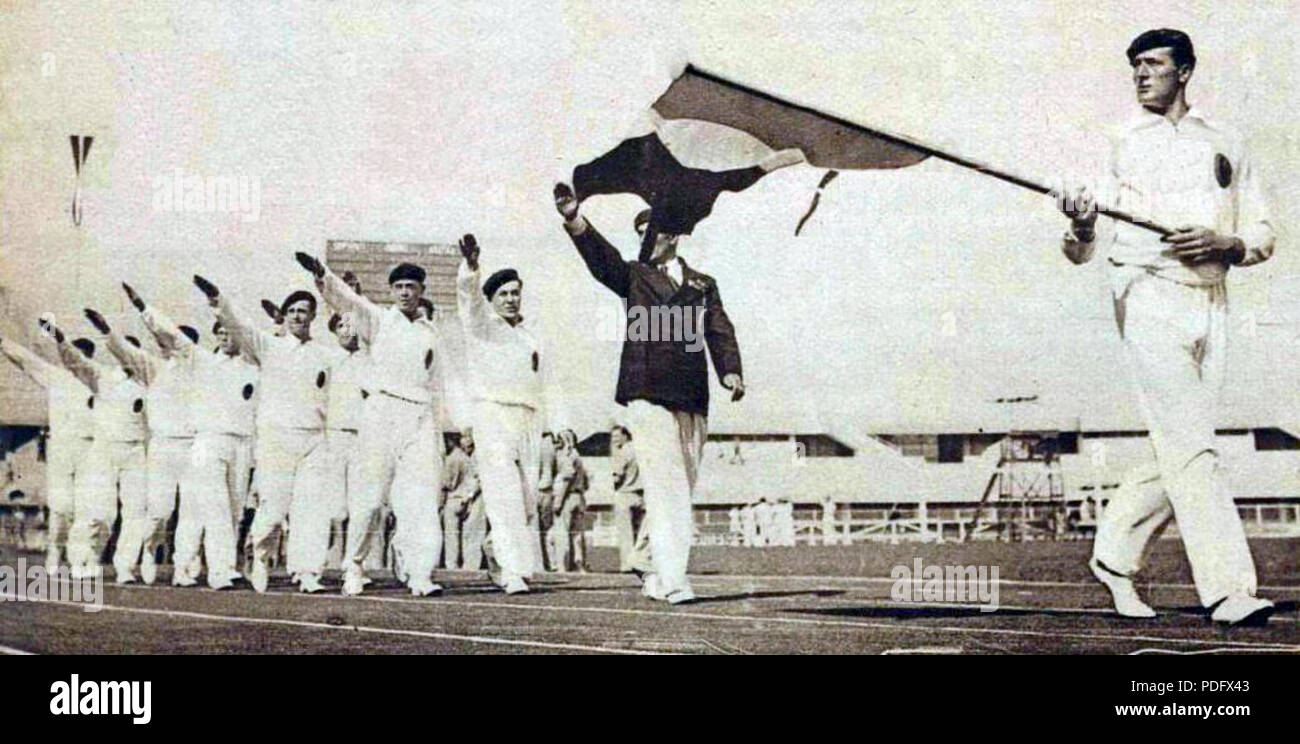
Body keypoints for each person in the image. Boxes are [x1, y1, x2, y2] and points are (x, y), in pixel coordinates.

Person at [1057, 29, 1276, 625]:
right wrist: (1079, 226)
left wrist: (1227, 242)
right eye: (1134, 66)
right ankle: (1229, 591)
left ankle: (1115, 558)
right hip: (1147, 294)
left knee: (1183, 446)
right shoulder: (1117, 143)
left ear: (1185, 71)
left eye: (1152, 64)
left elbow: (1262, 233)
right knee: (1193, 449)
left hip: (1213, 296)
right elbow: (1084, 247)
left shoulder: (1226, 141)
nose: (1140, 75)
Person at [557, 187, 745, 604]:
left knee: (681, 486)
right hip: (647, 391)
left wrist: (730, 372)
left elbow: (719, 329)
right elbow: (601, 260)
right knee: (669, 488)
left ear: (673, 236)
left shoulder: (703, 284)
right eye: (639, 234)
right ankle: (675, 580)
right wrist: (575, 220)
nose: (644, 241)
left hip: (692, 395)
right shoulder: (634, 275)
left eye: (651, 233)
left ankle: (646, 559)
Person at [302, 253, 446, 597]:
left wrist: (440, 427)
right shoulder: (379, 321)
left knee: (421, 499)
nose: (405, 293)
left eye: (411, 287)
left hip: (420, 416)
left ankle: (420, 572)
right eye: (399, 287)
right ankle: (353, 565)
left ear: (422, 290)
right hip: (381, 413)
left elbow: (438, 384)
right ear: (392, 291)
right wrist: (323, 276)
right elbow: (347, 300)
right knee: (368, 500)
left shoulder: (431, 333)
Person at [198, 275, 335, 593]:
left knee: (310, 508)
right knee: (273, 512)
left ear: (313, 316)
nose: (299, 316)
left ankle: (307, 571)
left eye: (304, 311)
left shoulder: (325, 356)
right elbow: (241, 326)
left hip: (314, 439)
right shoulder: (269, 347)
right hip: (277, 440)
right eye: (293, 311)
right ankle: (258, 555)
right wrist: (219, 301)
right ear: (285, 317)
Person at [454, 233, 557, 594]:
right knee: (504, 494)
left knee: (528, 501)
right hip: (493, 414)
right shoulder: (481, 327)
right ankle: (513, 570)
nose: (511, 299)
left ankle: (495, 548)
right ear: (493, 299)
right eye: (504, 294)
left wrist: (558, 423)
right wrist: (470, 267)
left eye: (516, 293)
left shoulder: (531, 336)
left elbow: (545, 381)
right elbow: (468, 299)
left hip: (528, 420)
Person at [86, 296, 199, 586]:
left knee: (191, 511)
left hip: (194, 448)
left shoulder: (205, 373)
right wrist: (107, 332)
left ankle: (181, 567)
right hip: (162, 448)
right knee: (159, 513)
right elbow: (126, 354)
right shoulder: (153, 371)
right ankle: (149, 551)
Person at [44, 318, 148, 582]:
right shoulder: (103, 377)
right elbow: (77, 363)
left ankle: (125, 565)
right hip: (104, 450)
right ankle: (82, 558)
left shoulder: (148, 384)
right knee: (100, 513)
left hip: (136, 452)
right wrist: (60, 339)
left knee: (136, 511)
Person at [285, 311, 367, 593]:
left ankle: (354, 567)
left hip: (363, 440)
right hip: (330, 438)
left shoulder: (371, 359)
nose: (349, 331)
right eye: (342, 326)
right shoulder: (325, 357)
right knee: (323, 508)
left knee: (361, 507)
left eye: (353, 325)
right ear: (334, 331)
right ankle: (304, 567)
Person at [0, 332, 95, 571]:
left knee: (85, 506)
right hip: (62, 446)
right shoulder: (57, 377)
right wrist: (3, 342)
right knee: (61, 506)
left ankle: (78, 558)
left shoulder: (99, 380)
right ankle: (55, 549)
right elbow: (26, 360)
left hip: (90, 448)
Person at [609, 424, 651, 577]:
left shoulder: (623, 452)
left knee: (625, 532)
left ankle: (628, 564)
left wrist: (611, 485)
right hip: (641, 494)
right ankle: (640, 560)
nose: (614, 440)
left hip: (625, 493)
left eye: (617, 436)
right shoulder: (642, 449)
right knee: (640, 532)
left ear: (626, 436)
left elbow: (617, 475)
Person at [441, 428, 485, 570]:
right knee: (470, 535)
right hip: (469, 498)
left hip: (453, 498)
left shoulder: (452, 459)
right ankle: (470, 565)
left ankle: (452, 565)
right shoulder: (467, 458)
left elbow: (447, 483)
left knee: (451, 536)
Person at [550, 429, 589, 572]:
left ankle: (561, 565)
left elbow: (566, 478)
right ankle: (579, 564)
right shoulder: (578, 457)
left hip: (567, 497)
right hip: (579, 497)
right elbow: (586, 482)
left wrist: (558, 501)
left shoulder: (567, 456)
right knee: (577, 534)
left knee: (561, 532)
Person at [536, 431, 557, 570]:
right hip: (548, 490)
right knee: (548, 528)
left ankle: (540, 563)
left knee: (537, 528)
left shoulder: (538, 447)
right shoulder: (552, 448)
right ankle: (552, 562)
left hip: (538, 489)